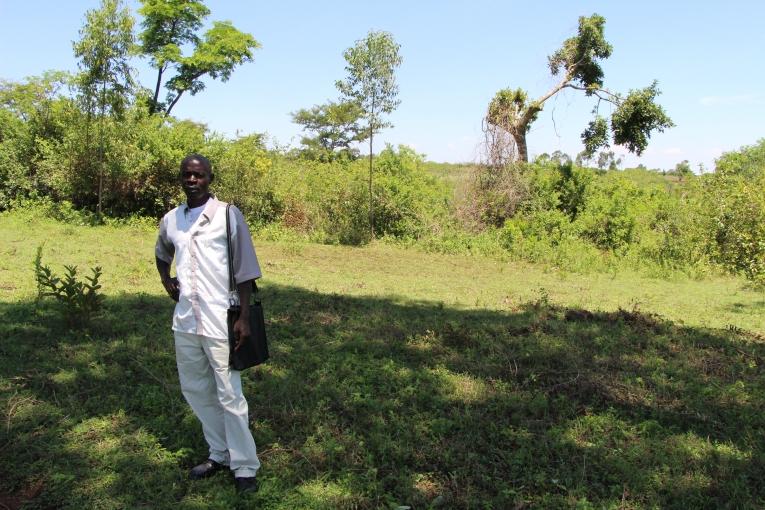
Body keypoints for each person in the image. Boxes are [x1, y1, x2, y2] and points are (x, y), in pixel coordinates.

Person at [155, 154, 261, 494]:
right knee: (196, 389)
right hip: (186, 320)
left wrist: (244, 316)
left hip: (221, 319)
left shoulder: (228, 216)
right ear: (181, 178)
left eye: (198, 175)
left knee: (230, 393)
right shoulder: (172, 219)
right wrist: (166, 279)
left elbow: (245, 270)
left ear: (209, 178)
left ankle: (245, 466)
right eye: (187, 174)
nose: (192, 180)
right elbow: (162, 252)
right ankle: (220, 453)